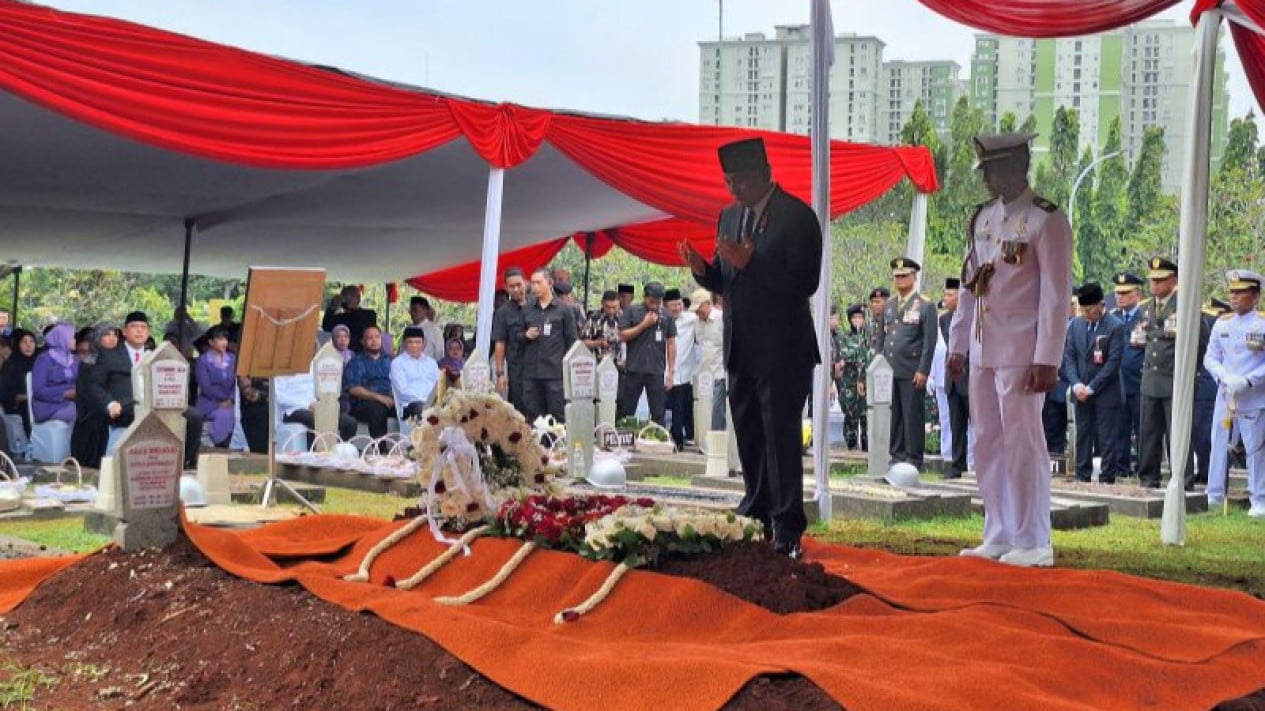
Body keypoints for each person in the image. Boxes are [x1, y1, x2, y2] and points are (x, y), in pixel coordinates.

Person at [679, 136, 822, 559]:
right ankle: (755, 510)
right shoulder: (727, 216)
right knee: (751, 437)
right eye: (729, 182)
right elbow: (728, 281)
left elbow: (806, 282)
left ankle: (788, 526)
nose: (734, 190)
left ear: (764, 175)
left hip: (782, 348)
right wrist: (703, 270)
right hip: (740, 345)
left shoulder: (797, 217)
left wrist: (753, 263)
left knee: (781, 438)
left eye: (740, 181)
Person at [948, 132, 1072, 568]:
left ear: (1019, 165)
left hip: (1023, 351)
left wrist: (1048, 358)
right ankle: (998, 532)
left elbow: (1056, 296)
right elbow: (970, 285)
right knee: (986, 443)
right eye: (985, 171)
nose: (987, 179)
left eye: (995, 169)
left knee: (1024, 444)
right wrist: (959, 343)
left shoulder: (1045, 220)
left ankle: (1034, 539)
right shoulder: (982, 218)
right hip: (983, 348)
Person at [85, 311, 205, 468]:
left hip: (156, 405)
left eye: (143, 327)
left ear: (148, 332)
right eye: (134, 327)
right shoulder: (109, 356)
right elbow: (94, 384)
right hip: (125, 408)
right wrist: (109, 404)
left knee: (194, 416)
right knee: (135, 409)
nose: (139, 331)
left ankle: (178, 464)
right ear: (124, 331)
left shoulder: (155, 356)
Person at [1136, 257, 1208, 489]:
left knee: (1176, 433)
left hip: (1174, 378)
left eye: (1160, 280)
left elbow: (1200, 341)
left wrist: (1188, 373)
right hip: (1151, 378)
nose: (1155, 285)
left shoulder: (1184, 305)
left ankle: (1183, 480)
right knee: (1148, 432)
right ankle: (1149, 478)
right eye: (1152, 280)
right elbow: (1144, 339)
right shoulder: (1146, 307)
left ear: (1173, 280)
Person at [1205, 269, 1265, 517]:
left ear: (1255, 296)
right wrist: (1223, 376)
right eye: (1232, 291)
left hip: (1253, 396)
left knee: (1256, 450)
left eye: (1240, 292)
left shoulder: (1262, 323)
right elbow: (1210, 357)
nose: (1234, 296)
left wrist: (1248, 381)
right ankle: (1214, 495)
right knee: (1218, 445)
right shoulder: (1222, 323)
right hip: (1226, 395)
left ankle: (1259, 499)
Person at [1061, 283, 1125, 483]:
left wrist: (1092, 387)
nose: (1086, 314)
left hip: (1106, 391)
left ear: (1101, 305)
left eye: (1089, 310)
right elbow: (1069, 358)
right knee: (1083, 436)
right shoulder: (1076, 325)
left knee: (1107, 439)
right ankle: (1082, 476)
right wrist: (1077, 384)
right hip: (1081, 391)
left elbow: (1113, 364)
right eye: (1083, 310)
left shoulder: (1115, 326)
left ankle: (1107, 479)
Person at [879, 258, 938, 470]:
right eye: (897, 276)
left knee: (912, 416)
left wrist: (923, 370)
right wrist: (878, 365)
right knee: (895, 416)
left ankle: (913, 458)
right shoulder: (889, 305)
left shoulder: (925, 305)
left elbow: (929, 343)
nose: (900, 280)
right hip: (890, 369)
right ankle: (896, 456)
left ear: (914, 277)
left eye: (904, 276)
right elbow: (881, 339)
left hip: (912, 369)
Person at [521, 268, 577, 422]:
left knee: (556, 416)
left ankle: (557, 445)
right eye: (532, 283)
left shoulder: (564, 309)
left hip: (554, 373)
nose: (534, 287)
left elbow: (572, 341)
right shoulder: (527, 309)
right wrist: (526, 335)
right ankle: (535, 446)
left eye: (538, 282)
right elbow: (516, 337)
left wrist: (565, 368)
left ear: (550, 283)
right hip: (531, 373)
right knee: (533, 416)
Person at [616, 281, 675, 426]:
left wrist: (671, 372)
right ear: (644, 297)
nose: (655, 305)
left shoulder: (666, 315)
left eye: (658, 302)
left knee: (658, 412)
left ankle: (658, 442)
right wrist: (644, 325)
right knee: (627, 409)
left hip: (656, 370)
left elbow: (671, 342)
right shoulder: (631, 311)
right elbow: (622, 335)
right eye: (652, 301)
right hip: (634, 369)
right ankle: (623, 439)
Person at [1111, 272, 1145, 477]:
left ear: (1138, 294)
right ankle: (1121, 469)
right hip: (1117, 382)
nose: (1120, 297)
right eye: (1118, 293)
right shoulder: (1113, 318)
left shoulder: (1146, 316)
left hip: (1139, 380)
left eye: (1125, 293)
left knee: (1143, 429)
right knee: (1119, 429)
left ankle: (1144, 469)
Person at [71, 323, 119, 468]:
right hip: (91, 417)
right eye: (106, 334)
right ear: (97, 338)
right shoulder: (88, 363)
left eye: (114, 335)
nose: (112, 338)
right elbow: (87, 394)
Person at [936, 279, 970, 476]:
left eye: (949, 295)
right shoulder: (944, 319)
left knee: (979, 427)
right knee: (956, 425)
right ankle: (957, 466)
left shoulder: (972, 316)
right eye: (945, 295)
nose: (945, 299)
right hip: (952, 380)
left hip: (971, 377)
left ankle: (980, 466)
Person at [343, 325, 394, 438]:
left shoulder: (390, 361)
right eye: (370, 338)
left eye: (377, 337)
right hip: (365, 403)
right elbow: (353, 388)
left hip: (390, 399)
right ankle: (380, 450)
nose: (374, 340)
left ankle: (413, 449)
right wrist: (378, 397)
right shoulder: (356, 362)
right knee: (377, 409)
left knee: (410, 409)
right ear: (363, 341)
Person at [665, 288, 700, 450]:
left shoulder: (691, 319)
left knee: (680, 409)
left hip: (684, 373)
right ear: (665, 306)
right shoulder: (661, 319)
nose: (677, 308)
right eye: (673, 305)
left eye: (679, 304)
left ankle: (679, 442)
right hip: (663, 372)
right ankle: (661, 440)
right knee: (660, 409)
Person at [492, 267, 529, 414]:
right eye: (511, 286)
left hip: (539, 368)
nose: (516, 289)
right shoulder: (502, 313)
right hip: (517, 369)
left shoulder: (536, 306)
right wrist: (500, 374)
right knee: (520, 411)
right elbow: (500, 343)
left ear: (525, 283)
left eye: (519, 285)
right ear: (506, 288)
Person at [195, 327, 237, 448]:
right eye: (220, 339)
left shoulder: (233, 359)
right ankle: (219, 443)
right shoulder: (203, 361)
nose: (224, 342)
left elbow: (237, 383)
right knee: (225, 414)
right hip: (210, 402)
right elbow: (205, 386)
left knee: (237, 414)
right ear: (211, 342)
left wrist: (231, 399)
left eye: (225, 339)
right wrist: (222, 400)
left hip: (230, 402)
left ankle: (225, 443)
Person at [30, 322, 79, 427]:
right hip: (48, 406)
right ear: (63, 339)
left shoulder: (75, 359)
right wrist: (65, 393)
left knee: (95, 410)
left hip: (73, 402)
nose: (75, 341)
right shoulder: (44, 360)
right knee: (82, 414)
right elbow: (39, 391)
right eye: (72, 338)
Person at [691, 288, 727, 431]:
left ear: (707, 304)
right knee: (703, 407)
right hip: (704, 372)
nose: (698, 313)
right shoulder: (696, 322)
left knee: (717, 407)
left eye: (699, 309)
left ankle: (717, 437)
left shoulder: (721, 318)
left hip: (719, 370)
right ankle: (704, 437)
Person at [390, 326, 440, 420]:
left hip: (433, 404)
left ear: (423, 344)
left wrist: (432, 401)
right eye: (410, 342)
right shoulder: (397, 363)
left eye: (417, 342)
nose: (414, 345)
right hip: (410, 405)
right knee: (420, 408)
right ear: (404, 344)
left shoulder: (431, 363)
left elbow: (438, 385)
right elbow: (402, 392)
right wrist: (426, 401)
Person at [839, 304, 869, 450]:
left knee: (866, 414)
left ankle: (867, 444)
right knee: (851, 414)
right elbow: (845, 355)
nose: (857, 320)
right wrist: (858, 350)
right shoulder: (845, 337)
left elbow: (871, 354)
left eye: (860, 317)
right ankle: (851, 444)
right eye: (854, 317)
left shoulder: (868, 335)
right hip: (850, 382)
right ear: (850, 320)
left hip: (867, 382)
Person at [0, 329, 37, 435]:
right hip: (19, 410)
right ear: (17, 344)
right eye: (24, 342)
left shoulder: (40, 363)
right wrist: (18, 397)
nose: (28, 345)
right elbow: (3, 393)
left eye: (31, 342)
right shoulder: (11, 365)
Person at [322, 285, 378, 352]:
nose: (347, 300)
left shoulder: (369, 314)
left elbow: (364, 326)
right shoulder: (341, 317)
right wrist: (332, 308)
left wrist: (350, 308)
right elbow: (326, 326)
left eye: (350, 297)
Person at [581, 290, 622, 362]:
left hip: (622, 366)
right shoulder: (594, 318)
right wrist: (598, 343)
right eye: (608, 307)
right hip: (600, 364)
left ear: (619, 304)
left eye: (614, 307)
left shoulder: (624, 317)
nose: (611, 310)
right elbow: (584, 342)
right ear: (602, 303)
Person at [407, 295, 444, 362]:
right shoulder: (408, 328)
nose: (412, 313)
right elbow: (402, 351)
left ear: (425, 310)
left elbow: (440, 355)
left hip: (427, 370)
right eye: (411, 310)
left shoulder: (434, 329)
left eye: (415, 310)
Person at [865, 287, 889, 354]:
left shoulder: (893, 322)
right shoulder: (868, 324)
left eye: (877, 302)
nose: (874, 305)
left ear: (887, 302)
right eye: (872, 302)